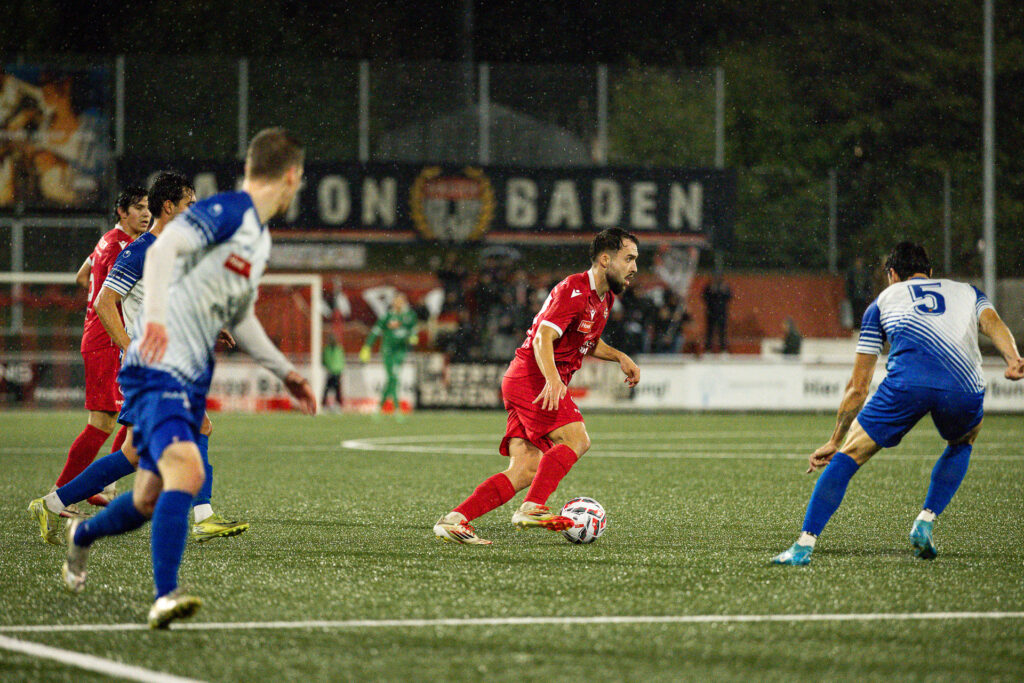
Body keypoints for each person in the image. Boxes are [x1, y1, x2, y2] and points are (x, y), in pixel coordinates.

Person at [60, 128, 316, 629]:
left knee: (147, 496)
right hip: (157, 365)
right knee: (188, 467)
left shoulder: (256, 238)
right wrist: (153, 319)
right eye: (299, 178)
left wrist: (283, 371)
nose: (297, 187)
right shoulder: (228, 212)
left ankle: (81, 536)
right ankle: (165, 596)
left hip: (192, 371)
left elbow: (239, 314)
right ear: (291, 175)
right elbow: (159, 251)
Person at [29, 171, 249, 545]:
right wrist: (130, 347)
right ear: (170, 207)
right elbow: (103, 302)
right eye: (189, 205)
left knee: (133, 453)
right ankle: (204, 517)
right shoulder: (140, 250)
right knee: (199, 428)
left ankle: (51, 503)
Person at [772, 242, 1024, 566]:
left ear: (892, 275)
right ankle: (926, 520)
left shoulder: (882, 301)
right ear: (930, 272)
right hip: (962, 384)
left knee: (849, 456)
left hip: (907, 385)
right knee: (963, 441)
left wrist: (836, 439)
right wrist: (1013, 357)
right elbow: (992, 324)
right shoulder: (967, 292)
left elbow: (857, 387)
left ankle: (803, 546)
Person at [433, 228, 641, 545]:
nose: (634, 267)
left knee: (526, 470)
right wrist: (554, 379)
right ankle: (532, 507)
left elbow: (588, 340)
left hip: (524, 379)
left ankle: (454, 520)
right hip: (533, 378)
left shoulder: (604, 298)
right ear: (604, 259)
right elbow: (545, 336)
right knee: (577, 438)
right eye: (629, 258)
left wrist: (619, 357)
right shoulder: (573, 289)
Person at [50, 186, 151, 513]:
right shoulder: (123, 246)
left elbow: (83, 277)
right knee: (104, 420)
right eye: (138, 208)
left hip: (103, 336)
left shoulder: (106, 241)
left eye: (148, 208)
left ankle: (97, 482)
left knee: (128, 412)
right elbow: (106, 295)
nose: (146, 214)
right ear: (122, 212)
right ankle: (62, 491)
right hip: (107, 340)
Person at [359, 292, 418, 415]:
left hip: (401, 351)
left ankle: (384, 407)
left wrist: (413, 337)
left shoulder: (410, 315)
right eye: (396, 300)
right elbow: (375, 332)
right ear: (393, 302)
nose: (398, 303)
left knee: (393, 377)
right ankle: (393, 408)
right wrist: (367, 347)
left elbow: (413, 329)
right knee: (393, 377)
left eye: (401, 300)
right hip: (387, 351)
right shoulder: (387, 317)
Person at [702, 274, 731, 353]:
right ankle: (708, 349)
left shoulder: (724, 287)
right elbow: (704, 297)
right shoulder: (709, 287)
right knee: (710, 331)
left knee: (722, 331)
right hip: (711, 312)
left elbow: (729, 297)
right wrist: (711, 290)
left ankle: (723, 349)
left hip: (722, 312)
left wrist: (723, 291)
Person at [846, 256, 874, 328]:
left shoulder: (865, 273)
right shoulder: (852, 273)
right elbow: (849, 284)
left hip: (862, 296)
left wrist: (868, 294)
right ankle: (856, 326)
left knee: (862, 312)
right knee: (855, 312)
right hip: (855, 296)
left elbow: (868, 284)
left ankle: (860, 326)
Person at [322, 332, 346, 411]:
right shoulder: (335, 349)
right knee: (333, 389)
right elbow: (341, 360)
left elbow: (325, 360)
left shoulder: (330, 349)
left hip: (334, 372)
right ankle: (330, 405)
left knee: (332, 389)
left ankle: (331, 405)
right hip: (334, 372)